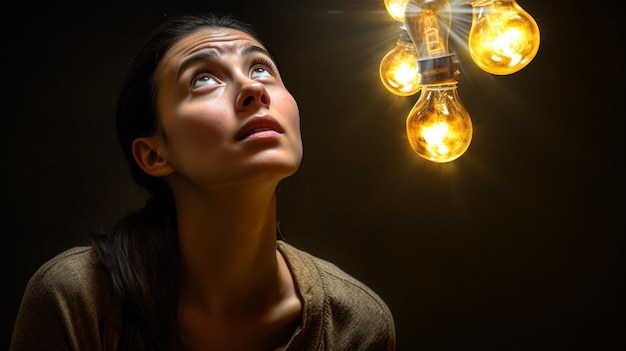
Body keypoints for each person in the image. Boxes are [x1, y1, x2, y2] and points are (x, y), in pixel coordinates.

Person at [10, 12, 396, 351]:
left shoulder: (355, 325)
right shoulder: (77, 300)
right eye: (203, 79)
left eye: (260, 68)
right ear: (155, 155)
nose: (253, 90)